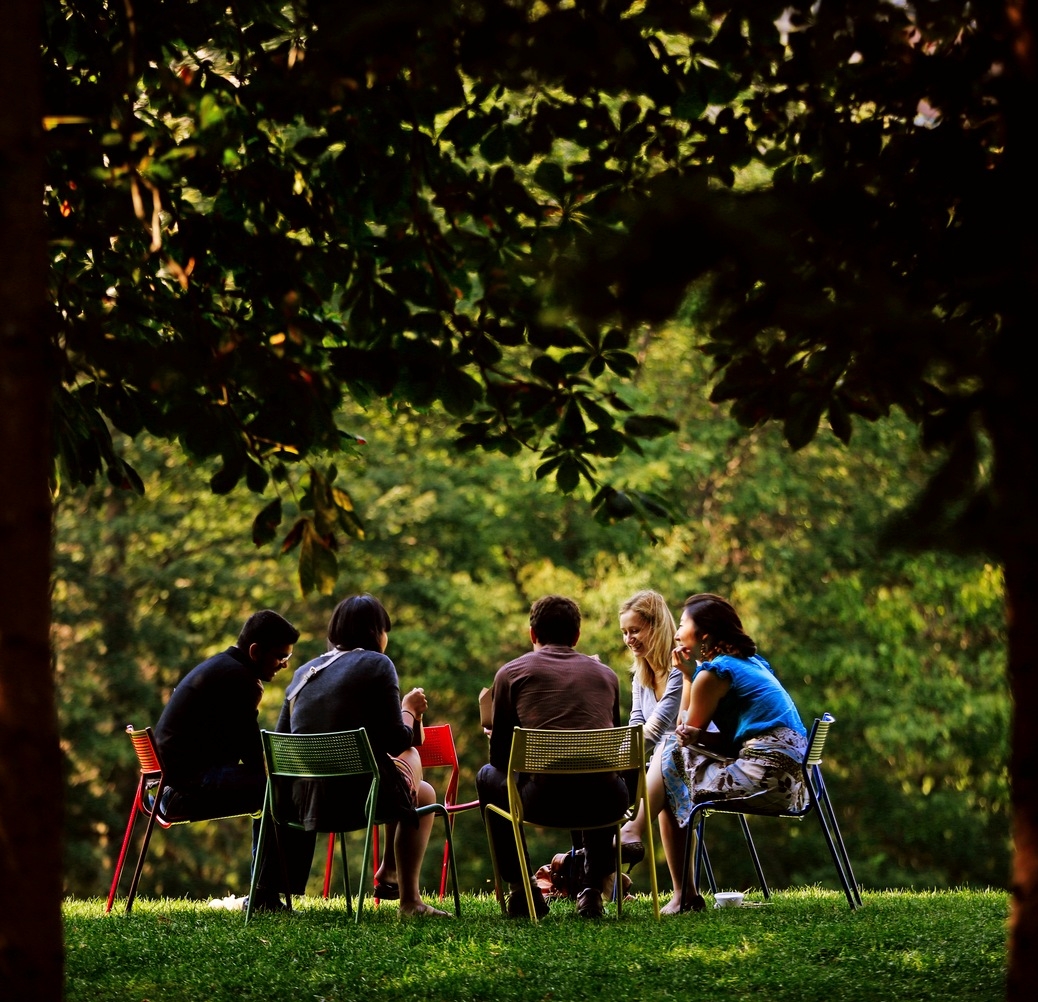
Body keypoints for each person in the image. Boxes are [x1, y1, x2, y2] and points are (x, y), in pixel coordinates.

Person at [250, 593, 448, 918]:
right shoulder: (377, 663)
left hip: (302, 805)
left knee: (423, 794)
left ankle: (395, 879)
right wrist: (409, 710)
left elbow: (282, 744)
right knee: (412, 764)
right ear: (377, 632)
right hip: (360, 801)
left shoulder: (303, 673)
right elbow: (399, 740)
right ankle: (406, 897)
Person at [476, 595, 631, 919]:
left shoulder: (511, 673)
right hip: (606, 802)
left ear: (533, 634)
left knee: (487, 775)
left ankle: (523, 890)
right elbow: (609, 749)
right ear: (576, 637)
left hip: (543, 801)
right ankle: (592, 890)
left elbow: (502, 760)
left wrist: (520, 746)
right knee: (602, 775)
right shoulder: (606, 675)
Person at [652, 593, 808, 914]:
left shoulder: (714, 672)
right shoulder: (751, 663)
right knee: (672, 766)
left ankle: (636, 836)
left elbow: (684, 733)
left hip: (764, 777)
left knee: (668, 753)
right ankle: (680, 889)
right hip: (794, 782)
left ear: (703, 635)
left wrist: (685, 676)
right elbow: (723, 740)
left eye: (682, 625)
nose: (678, 633)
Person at [153, 609, 299, 822]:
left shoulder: (220, 666)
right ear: (255, 652)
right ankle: (272, 857)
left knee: (269, 785)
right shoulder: (240, 679)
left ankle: (268, 856)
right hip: (178, 793)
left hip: (156, 789)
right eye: (280, 656)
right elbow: (252, 754)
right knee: (279, 788)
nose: (285, 664)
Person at [615, 590, 684, 869]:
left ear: (656, 627)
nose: (629, 639)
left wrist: (617, 761)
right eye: (624, 632)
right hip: (656, 765)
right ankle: (596, 879)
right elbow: (636, 724)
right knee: (598, 788)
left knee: (667, 743)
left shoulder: (680, 670)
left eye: (635, 630)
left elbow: (655, 730)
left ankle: (632, 831)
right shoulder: (640, 675)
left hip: (685, 759)